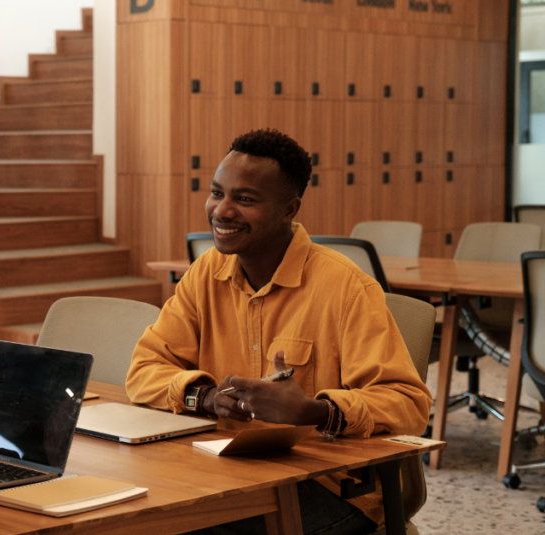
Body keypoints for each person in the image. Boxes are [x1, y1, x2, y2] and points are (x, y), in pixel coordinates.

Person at [125, 129, 432, 535]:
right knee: (132, 513)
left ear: (289, 210)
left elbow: (408, 404)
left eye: (245, 199)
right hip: (226, 470)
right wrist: (208, 396)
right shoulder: (205, 274)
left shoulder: (345, 287)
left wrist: (315, 412)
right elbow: (145, 368)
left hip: (327, 488)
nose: (222, 210)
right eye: (218, 193)